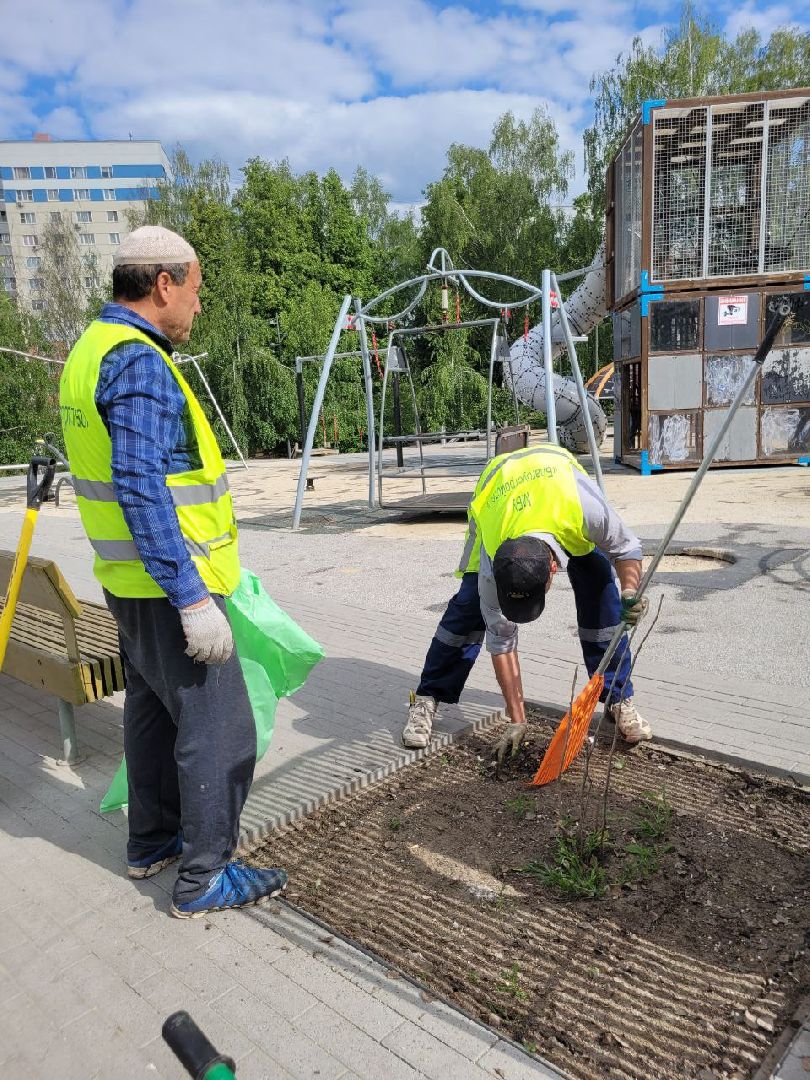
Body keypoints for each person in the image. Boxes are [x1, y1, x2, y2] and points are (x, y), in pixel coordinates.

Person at [59, 225, 286, 918]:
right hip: (168, 585)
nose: (197, 305)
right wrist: (191, 598)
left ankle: (149, 842)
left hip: (127, 582)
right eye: (194, 290)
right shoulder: (137, 362)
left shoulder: (90, 349)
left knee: (154, 714)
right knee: (222, 730)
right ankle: (204, 878)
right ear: (164, 284)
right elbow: (139, 483)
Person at [402, 442, 650, 760]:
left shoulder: (582, 507)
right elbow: (501, 641)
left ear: (552, 568)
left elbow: (626, 548)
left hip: (554, 480)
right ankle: (426, 698)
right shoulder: (493, 555)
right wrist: (516, 719)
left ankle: (618, 699)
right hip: (497, 488)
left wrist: (630, 592)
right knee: (467, 608)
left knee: (603, 591)